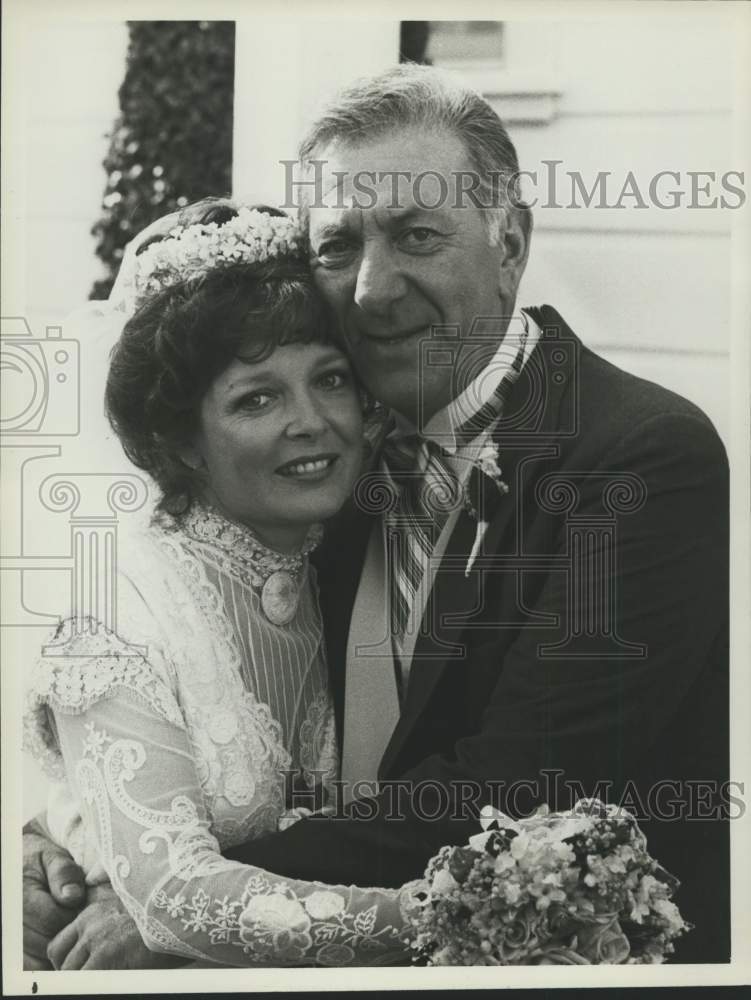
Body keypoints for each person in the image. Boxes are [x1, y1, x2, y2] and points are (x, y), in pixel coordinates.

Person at [25, 64, 730, 967]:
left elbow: (521, 784)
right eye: (337, 246)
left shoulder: (640, 454)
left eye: (416, 235)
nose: (370, 289)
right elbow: (187, 701)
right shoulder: (324, 457)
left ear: (508, 239)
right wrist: (62, 853)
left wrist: (177, 904)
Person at [23, 201, 419, 968]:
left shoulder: (343, 558)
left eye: (329, 379)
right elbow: (172, 896)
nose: (311, 421)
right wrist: (452, 912)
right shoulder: (116, 615)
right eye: (256, 398)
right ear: (179, 442)